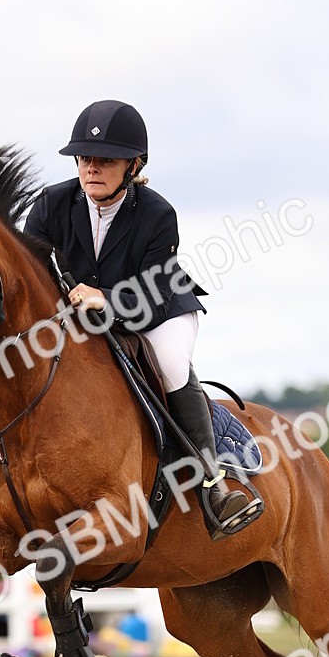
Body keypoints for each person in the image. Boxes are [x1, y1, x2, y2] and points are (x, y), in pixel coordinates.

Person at [23, 100, 263, 540]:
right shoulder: (52, 203)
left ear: (133, 165)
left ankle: (211, 481)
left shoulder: (157, 215)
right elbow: (27, 271)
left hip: (158, 309)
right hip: (81, 314)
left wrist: (104, 298)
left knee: (170, 363)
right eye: (85, 158)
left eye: (106, 160)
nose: (92, 168)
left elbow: (150, 302)